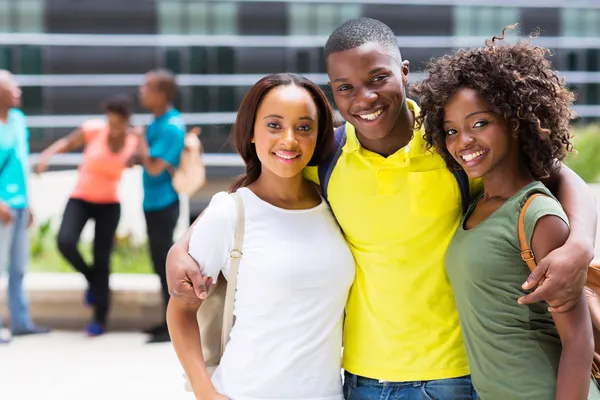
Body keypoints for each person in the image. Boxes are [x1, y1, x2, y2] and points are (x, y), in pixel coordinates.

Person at [165, 18, 598, 399]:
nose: (364, 98)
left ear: (404, 73)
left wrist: (579, 243)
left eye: (378, 79)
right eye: (345, 88)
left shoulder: (452, 144)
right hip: (360, 380)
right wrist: (182, 248)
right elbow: (254, 195)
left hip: (455, 377)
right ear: (333, 91)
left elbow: (556, 176)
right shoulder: (326, 157)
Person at [409, 26, 600, 400]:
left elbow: (578, 341)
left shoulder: (537, 215)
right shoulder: (477, 203)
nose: (463, 142)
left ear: (515, 122)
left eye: (480, 123)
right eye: (450, 130)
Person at [167, 72, 354, 400]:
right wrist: (205, 392)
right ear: (251, 132)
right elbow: (181, 309)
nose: (289, 140)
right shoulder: (231, 212)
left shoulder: (336, 202)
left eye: (304, 127)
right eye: (274, 125)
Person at [36, 95, 139, 336]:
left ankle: (99, 319)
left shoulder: (134, 141)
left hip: (109, 204)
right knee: (65, 241)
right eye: (110, 122)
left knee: (102, 259)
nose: (112, 128)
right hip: (81, 199)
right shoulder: (94, 130)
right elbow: (67, 143)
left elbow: (141, 160)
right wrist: (46, 156)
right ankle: (92, 280)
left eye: (118, 124)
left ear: (126, 122)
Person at [0, 70, 49, 343]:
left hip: (19, 205)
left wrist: (28, 203)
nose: (19, 90)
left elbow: (22, 163)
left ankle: (21, 322)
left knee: (19, 267)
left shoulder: (18, 119)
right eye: (13, 86)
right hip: (2, 206)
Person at [137, 69, 185, 343]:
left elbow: (154, 168)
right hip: (151, 202)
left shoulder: (170, 126)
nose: (141, 91)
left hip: (164, 202)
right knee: (157, 262)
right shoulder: (156, 123)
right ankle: (166, 320)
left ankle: (174, 325)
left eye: (147, 87)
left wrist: (140, 141)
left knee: (164, 262)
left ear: (162, 93)